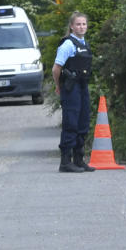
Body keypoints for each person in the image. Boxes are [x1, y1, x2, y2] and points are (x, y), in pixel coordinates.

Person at [52, 11, 95, 173]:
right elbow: (56, 69)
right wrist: (59, 86)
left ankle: (79, 159)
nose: (81, 27)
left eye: (84, 24)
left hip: (82, 86)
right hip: (71, 88)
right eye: (78, 24)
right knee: (71, 124)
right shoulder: (68, 45)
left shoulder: (84, 43)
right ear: (71, 26)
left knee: (83, 123)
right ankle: (65, 162)